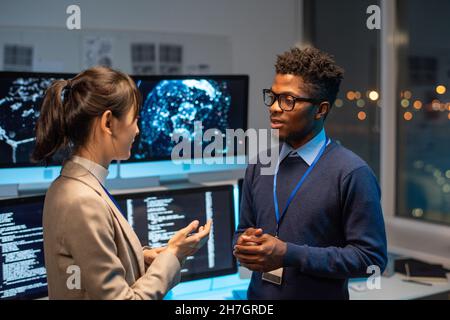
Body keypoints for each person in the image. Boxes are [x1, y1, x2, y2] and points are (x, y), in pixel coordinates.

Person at [33, 66, 211, 300]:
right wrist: (173, 257)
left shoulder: (72, 185)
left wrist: (142, 257)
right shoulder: (82, 200)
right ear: (108, 122)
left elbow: (89, 269)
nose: (137, 130)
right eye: (134, 120)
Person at [233, 47, 387, 299]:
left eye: (288, 100)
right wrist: (244, 244)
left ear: (320, 110)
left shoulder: (352, 173)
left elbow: (371, 259)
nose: (274, 108)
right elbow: (242, 230)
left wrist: (288, 254)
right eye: (272, 97)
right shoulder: (259, 165)